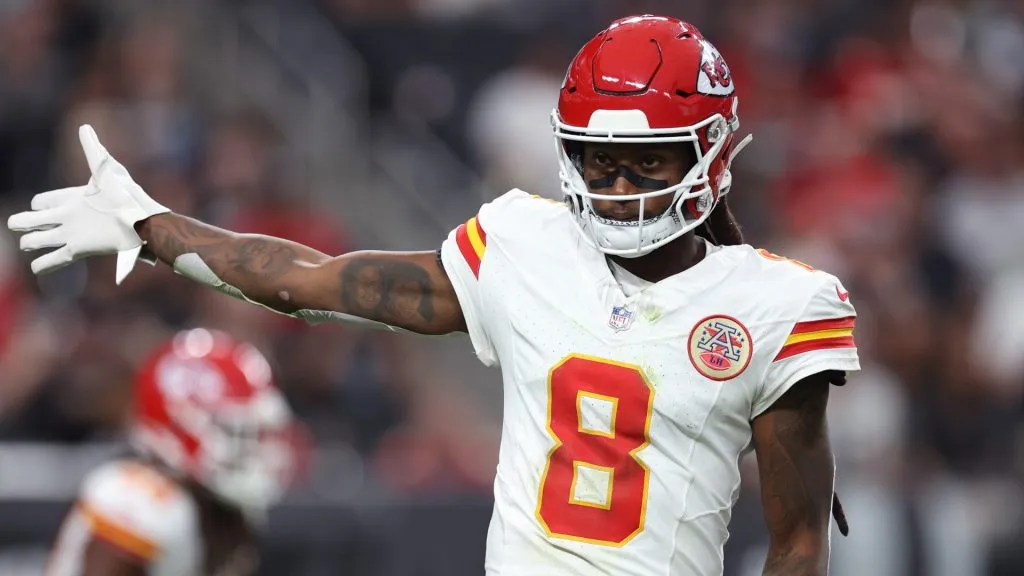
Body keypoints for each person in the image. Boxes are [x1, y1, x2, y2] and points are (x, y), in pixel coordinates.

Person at [11, 14, 857, 576]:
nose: (621, 184)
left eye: (649, 161)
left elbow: (797, 543)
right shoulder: (526, 245)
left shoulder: (778, 304)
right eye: (599, 162)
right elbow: (310, 281)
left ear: (708, 155)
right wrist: (152, 226)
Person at [44, 328, 298, 576]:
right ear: (180, 423)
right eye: (235, 433)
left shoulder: (228, 510)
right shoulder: (139, 498)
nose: (253, 451)